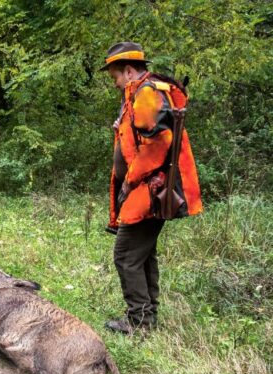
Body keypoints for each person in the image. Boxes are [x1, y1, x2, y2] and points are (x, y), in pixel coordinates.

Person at [101, 42, 203, 334]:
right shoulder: (141, 92)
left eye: (116, 77)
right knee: (141, 254)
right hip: (145, 188)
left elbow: (158, 145)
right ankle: (147, 317)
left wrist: (130, 179)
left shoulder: (146, 93)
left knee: (126, 255)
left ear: (129, 71)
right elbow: (140, 137)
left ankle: (139, 322)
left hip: (149, 190)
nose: (115, 83)